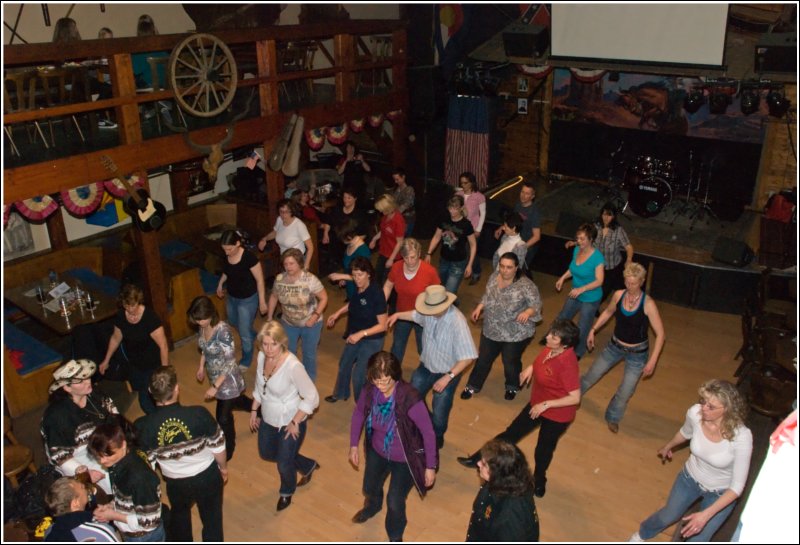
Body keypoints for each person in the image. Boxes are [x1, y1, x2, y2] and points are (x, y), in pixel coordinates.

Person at [457, 319, 581, 499]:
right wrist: (531, 368)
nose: (548, 337)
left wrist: (546, 404)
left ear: (565, 344)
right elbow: (543, 360)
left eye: (554, 337)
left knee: (543, 449)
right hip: (537, 403)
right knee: (510, 434)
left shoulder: (567, 363)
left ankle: (539, 480)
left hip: (557, 414)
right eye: (550, 332)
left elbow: (575, 398)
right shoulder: (551, 348)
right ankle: (479, 458)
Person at [630, 380, 753, 542]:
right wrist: (669, 446)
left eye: (711, 406)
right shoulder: (695, 413)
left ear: (727, 409)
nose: (704, 408)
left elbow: (737, 487)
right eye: (703, 401)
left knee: (700, 538)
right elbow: (685, 433)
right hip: (689, 479)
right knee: (668, 516)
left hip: (721, 493)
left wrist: (705, 515)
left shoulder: (741, 436)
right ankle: (641, 535)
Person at [349, 351, 437, 542]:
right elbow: (358, 414)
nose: (380, 386)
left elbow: (428, 433)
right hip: (377, 450)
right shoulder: (370, 390)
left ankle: (395, 534)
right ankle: (373, 506)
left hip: (405, 457)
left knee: (395, 501)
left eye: (386, 381)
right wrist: (353, 445)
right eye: (376, 380)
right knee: (369, 487)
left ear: (396, 377)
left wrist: (430, 466)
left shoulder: (410, 398)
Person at [135, 366, 227, 542]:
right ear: (177, 388)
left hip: (176, 483)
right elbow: (219, 447)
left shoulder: (142, 426)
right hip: (207, 477)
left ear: (150, 392)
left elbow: (148, 464)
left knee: (180, 518)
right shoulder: (199, 414)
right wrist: (223, 468)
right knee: (212, 520)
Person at [387, 285, 478, 449]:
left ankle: (437, 436)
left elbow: (469, 356)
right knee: (411, 399)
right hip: (425, 366)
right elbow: (415, 315)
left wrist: (448, 377)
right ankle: (425, 424)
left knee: (440, 410)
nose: (428, 311)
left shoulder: (457, 322)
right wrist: (398, 315)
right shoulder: (429, 312)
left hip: (447, 373)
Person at [581, 262, 666, 433]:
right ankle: (572, 396)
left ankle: (612, 416)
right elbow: (607, 312)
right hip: (614, 346)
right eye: (627, 282)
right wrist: (593, 329)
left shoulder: (648, 304)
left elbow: (661, 335)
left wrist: (653, 361)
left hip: (637, 354)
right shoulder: (619, 295)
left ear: (641, 281)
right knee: (592, 375)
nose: (629, 286)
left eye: (633, 283)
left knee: (626, 391)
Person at [249, 320, 320, 511]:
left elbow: (312, 396)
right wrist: (254, 409)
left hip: (290, 420)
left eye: (273, 344)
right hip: (268, 416)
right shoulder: (262, 357)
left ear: (282, 342)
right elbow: (259, 385)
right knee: (266, 453)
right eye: (265, 344)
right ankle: (308, 465)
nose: (269, 349)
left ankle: (286, 491)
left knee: (283, 463)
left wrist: (295, 421)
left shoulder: (293, 366)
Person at [462, 252, 542, 401]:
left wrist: (527, 312)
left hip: (515, 332)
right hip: (492, 328)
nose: (504, 270)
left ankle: (512, 386)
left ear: (516, 268)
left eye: (509, 267)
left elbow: (536, 305)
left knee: (510, 361)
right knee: (484, 358)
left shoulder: (526, 285)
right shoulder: (494, 276)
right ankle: (473, 385)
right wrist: (480, 307)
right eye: (502, 266)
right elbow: (487, 295)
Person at [187, 295, 252, 459]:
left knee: (223, 418)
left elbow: (230, 363)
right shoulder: (203, 327)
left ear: (210, 314)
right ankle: (259, 409)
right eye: (196, 320)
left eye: (201, 319)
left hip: (228, 380)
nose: (198, 322)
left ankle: (228, 449)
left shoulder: (223, 331)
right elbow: (204, 349)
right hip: (214, 375)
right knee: (238, 402)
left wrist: (215, 387)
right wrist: (201, 366)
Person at [41, 359, 119, 495]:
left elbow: (116, 417)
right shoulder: (57, 417)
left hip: (101, 446)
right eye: (81, 381)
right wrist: (86, 473)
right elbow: (61, 458)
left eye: (87, 377)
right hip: (78, 458)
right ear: (67, 387)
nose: (88, 382)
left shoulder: (96, 395)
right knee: (110, 483)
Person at [99, 284, 168, 415]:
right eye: (127, 305)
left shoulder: (150, 318)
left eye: (133, 305)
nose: (130, 309)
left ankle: (159, 419)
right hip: (135, 364)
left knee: (146, 401)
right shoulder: (120, 316)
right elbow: (115, 338)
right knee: (142, 390)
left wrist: (164, 371)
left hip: (152, 364)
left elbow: (163, 345)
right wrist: (106, 360)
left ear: (139, 301)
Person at [88, 422, 165, 541]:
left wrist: (113, 515)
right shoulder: (120, 462)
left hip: (144, 537)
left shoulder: (140, 478)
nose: (102, 461)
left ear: (123, 445)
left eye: (107, 455)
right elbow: (127, 496)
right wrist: (112, 505)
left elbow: (150, 521)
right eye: (99, 456)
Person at [325, 257, 388, 403]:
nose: (356, 279)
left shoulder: (376, 294)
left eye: (360, 275)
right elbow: (353, 304)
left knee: (359, 375)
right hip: (356, 334)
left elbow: (383, 325)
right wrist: (337, 313)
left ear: (369, 274)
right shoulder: (358, 287)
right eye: (354, 276)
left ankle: (363, 405)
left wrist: (362, 334)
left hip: (372, 338)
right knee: (344, 364)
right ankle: (340, 393)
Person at [267, 248, 329, 381]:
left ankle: (309, 379)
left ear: (300, 263)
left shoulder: (310, 279)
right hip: (289, 322)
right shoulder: (280, 279)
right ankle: (291, 376)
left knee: (309, 353)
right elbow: (273, 297)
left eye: (292, 263)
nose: (288, 267)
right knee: (288, 351)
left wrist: (315, 316)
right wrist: (269, 317)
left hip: (311, 323)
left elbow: (324, 298)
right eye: (285, 264)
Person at [465, 439, 540, 542]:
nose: (478, 464)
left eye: (483, 464)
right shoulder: (502, 482)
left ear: (498, 473)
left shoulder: (509, 517)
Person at [382, 238, 440, 366]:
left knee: (423, 347)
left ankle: (428, 370)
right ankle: (393, 373)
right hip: (402, 313)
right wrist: (381, 306)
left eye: (413, 257)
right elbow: (388, 286)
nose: (410, 261)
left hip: (423, 316)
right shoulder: (397, 267)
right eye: (406, 257)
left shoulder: (429, 271)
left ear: (419, 254)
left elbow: (438, 294)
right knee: (397, 346)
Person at [217, 229, 268, 371]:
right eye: (224, 249)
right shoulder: (227, 256)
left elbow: (260, 280)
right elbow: (227, 271)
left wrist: (262, 301)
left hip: (248, 299)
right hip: (232, 297)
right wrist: (220, 283)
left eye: (229, 249)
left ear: (238, 243)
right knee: (234, 322)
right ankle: (254, 335)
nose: (227, 252)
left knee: (244, 333)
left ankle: (246, 359)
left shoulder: (249, 258)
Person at [553, 223, 605, 359]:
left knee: (583, 326)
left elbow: (599, 281)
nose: (579, 241)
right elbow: (573, 269)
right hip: (575, 292)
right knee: (562, 317)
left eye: (582, 239)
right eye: (578, 238)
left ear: (591, 239)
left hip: (590, 297)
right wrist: (562, 278)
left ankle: (578, 352)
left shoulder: (597, 257)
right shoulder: (577, 250)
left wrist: (582, 289)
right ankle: (554, 340)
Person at [566, 202, 633, 303]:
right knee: (594, 286)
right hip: (596, 264)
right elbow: (587, 239)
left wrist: (628, 260)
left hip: (611, 267)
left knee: (605, 290)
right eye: (604, 214)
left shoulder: (618, 231)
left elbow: (629, 247)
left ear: (614, 216)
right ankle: (592, 306)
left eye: (609, 215)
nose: (605, 217)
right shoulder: (596, 226)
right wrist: (575, 243)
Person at [425, 194, 477, 297]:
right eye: (450, 208)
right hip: (444, 259)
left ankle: (451, 298)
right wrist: (428, 253)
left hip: (458, 263)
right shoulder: (444, 218)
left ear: (461, 208)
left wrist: (470, 265)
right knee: (441, 287)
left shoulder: (466, 224)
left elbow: (473, 245)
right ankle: (452, 298)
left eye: (455, 208)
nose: (452, 211)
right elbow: (436, 236)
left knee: (449, 292)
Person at [44, 477, 119, 542]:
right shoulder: (99, 532)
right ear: (75, 503)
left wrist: (93, 516)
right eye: (82, 487)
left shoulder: (49, 532)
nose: (84, 486)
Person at [495, 179, 541, 274]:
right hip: (514, 241)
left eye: (527, 193)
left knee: (519, 270)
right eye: (522, 192)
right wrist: (501, 227)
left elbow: (537, 236)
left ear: (532, 196)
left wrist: (523, 246)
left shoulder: (534, 212)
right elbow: (512, 220)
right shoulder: (518, 205)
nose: (523, 195)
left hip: (526, 245)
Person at [258, 199, 314, 270]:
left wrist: (306, 265)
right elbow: (275, 233)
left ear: (292, 211)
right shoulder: (279, 220)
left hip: (297, 261)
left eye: (286, 212)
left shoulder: (299, 225)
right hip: (284, 260)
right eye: (281, 212)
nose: (283, 215)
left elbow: (311, 247)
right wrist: (264, 239)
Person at [328, 219, 372, 301]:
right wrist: (345, 278)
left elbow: (363, 277)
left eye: (342, 238)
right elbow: (350, 269)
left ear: (348, 236)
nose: (341, 240)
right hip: (351, 288)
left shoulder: (363, 251)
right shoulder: (350, 245)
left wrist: (340, 276)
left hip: (360, 291)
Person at [456, 171, 487, 286]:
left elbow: (482, 213)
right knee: (461, 250)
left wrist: (478, 229)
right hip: (460, 228)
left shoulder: (479, 196)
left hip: (473, 228)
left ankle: (476, 272)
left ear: (472, 183)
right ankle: (463, 269)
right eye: (461, 183)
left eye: (465, 183)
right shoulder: (458, 194)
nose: (463, 185)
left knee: (471, 252)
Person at [369, 193, 406, 286]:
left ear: (387, 208)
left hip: (393, 255)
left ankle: (388, 300)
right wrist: (374, 239)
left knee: (387, 281)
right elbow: (383, 230)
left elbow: (400, 242)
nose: (380, 211)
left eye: (381, 209)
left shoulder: (398, 220)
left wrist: (391, 259)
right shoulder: (385, 216)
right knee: (377, 276)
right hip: (384, 252)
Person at [391, 167, 415, 237]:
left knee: (404, 238)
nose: (395, 181)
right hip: (399, 218)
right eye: (394, 179)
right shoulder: (397, 189)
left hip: (407, 219)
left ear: (403, 177)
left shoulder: (409, 189)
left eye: (397, 179)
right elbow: (393, 201)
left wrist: (394, 214)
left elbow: (406, 204)